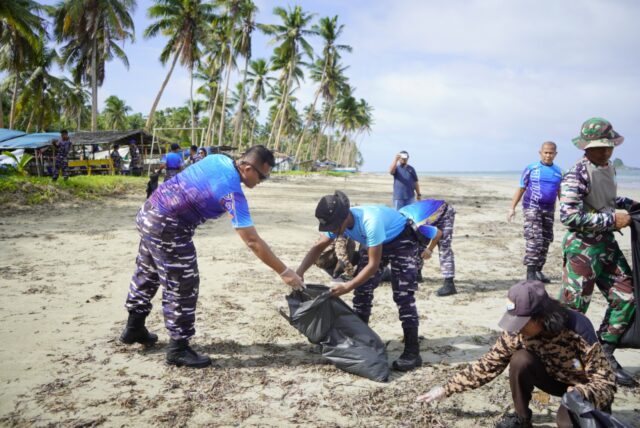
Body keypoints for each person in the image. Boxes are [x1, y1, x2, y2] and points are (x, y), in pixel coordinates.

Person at [119, 145, 304, 368]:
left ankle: (134, 327)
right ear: (246, 167)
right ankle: (178, 348)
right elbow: (253, 241)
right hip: (169, 226)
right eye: (262, 176)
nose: (262, 181)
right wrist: (284, 271)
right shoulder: (232, 191)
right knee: (183, 282)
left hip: (149, 212)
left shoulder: (217, 159)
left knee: (148, 271)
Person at [417, 280, 616, 428]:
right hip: (553, 379)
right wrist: (446, 389)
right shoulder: (516, 333)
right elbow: (488, 364)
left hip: (582, 390)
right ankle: (522, 419)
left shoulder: (577, 327)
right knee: (520, 359)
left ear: (541, 317)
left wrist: (581, 392)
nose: (516, 329)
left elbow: (606, 384)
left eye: (521, 323)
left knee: (565, 421)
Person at [296, 190, 425, 371]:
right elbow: (318, 247)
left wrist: (348, 285)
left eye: (333, 226)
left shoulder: (370, 222)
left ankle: (412, 352)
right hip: (375, 242)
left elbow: (372, 266)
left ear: (344, 217)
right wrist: (299, 272)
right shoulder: (337, 224)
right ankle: (359, 341)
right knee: (362, 291)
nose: (331, 231)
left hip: (401, 241)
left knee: (403, 295)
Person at [558, 117, 638, 387]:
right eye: (599, 147)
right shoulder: (576, 173)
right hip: (583, 249)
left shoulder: (609, 168)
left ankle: (603, 353)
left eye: (609, 147)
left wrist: (632, 205)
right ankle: (564, 362)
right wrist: (612, 220)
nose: (605, 152)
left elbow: (608, 200)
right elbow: (569, 216)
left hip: (606, 246)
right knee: (574, 309)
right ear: (586, 147)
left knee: (627, 296)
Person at [508, 142, 562, 283]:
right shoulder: (531, 168)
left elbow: (560, 193)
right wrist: (512, 208)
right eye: (546, 152)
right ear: (540, 153)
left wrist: (565, 210)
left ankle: (538, 271)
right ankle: (530, 273)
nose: (548, 155)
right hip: (532, 208)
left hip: (549, 210)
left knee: (546, 240)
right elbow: (521, 188)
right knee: (534, 239)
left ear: (555, 154)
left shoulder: (559, 172)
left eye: (551, 153)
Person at [400, 199, 456, 296]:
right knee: (415, 242)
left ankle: (449, 283)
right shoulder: (399, 215)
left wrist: (429, 249)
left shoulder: (418, 224)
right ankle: (417, 274)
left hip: (445, 213)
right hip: (427, 216)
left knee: (444, 246)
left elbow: (438, 234)